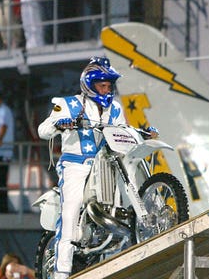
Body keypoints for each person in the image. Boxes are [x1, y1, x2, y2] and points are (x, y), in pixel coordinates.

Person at [37, 57, 138, 279]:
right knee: (71, 210)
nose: (107, 89)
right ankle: (61, 273)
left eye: (109, 85)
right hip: (76, 163)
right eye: (103, 85)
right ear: (90, 85)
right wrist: (59, 123)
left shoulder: (115, 108)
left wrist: (142, 132)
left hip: (107, 162)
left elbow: (124, 131)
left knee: (130, 179)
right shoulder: (66, 104)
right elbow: (42, 130)